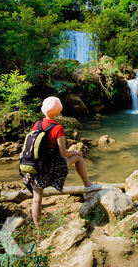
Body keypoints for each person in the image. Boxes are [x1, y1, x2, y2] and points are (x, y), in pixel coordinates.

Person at [22, 96, 101, 227]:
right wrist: (74, 152)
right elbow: (63, 153)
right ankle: (87, 184)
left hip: (36, 166)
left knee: (37, 200)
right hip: (52, 167)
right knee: (78, 158)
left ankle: (38, 229)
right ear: (59, 111)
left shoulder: (37, 124)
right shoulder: (58, 128)